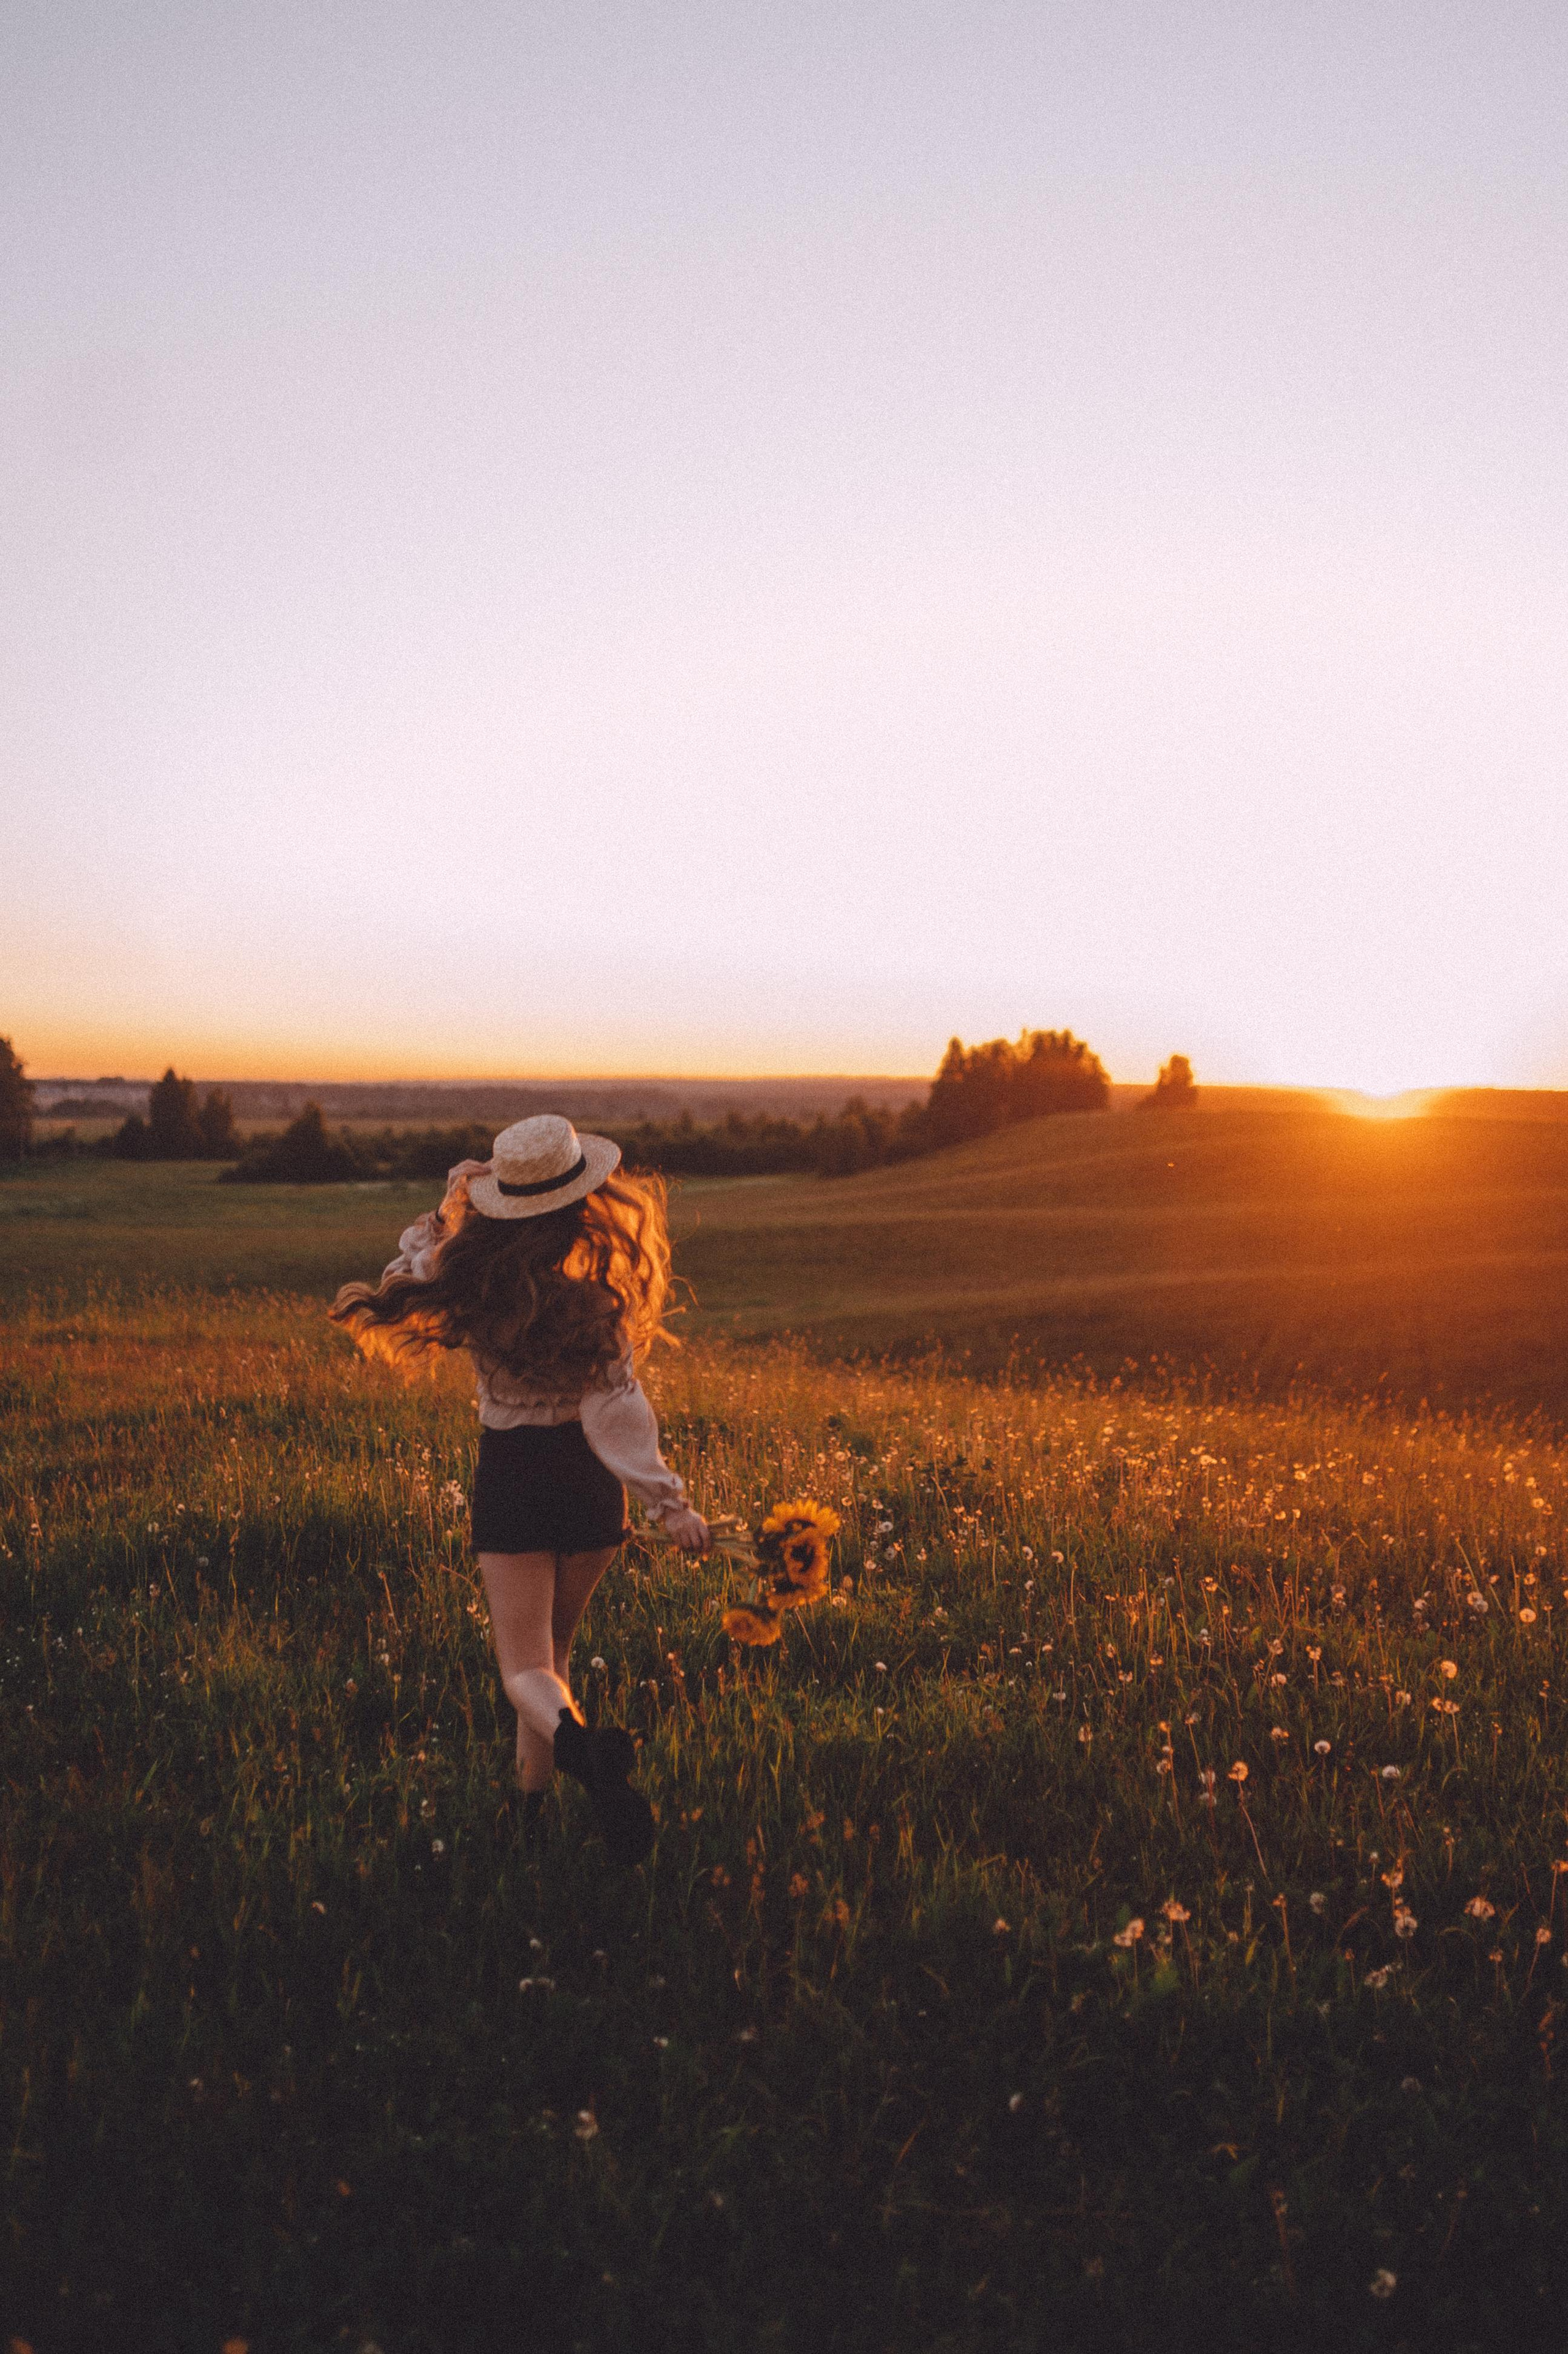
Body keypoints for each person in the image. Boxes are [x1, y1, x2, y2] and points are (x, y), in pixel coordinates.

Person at [330, 1114, 709, 1862]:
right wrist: (671, 1504)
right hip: (592, 1490)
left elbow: (409, 1265)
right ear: (583, 1205)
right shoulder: (597, 1304)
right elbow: (619, 1413)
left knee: (524, 1668)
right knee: (554, 1656)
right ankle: (532, 1811)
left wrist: (450, 1205)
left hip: (514, 1479)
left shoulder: (472, 1289)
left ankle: (578, 1753)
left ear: (500, 1206)